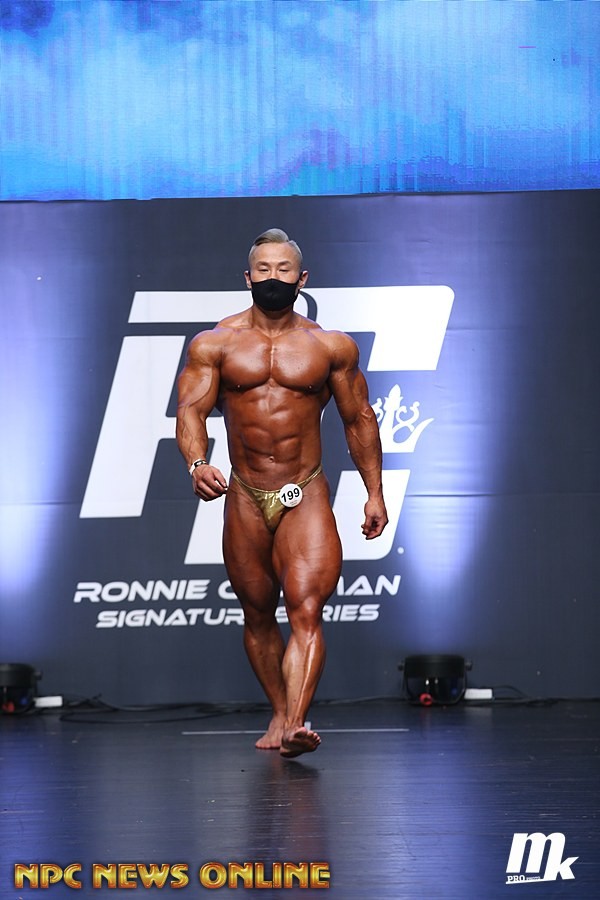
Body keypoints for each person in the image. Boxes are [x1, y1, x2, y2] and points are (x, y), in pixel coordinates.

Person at [176, 228, 388, 757]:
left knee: (306, 609)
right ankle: (278, 709)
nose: (274, 278)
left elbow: (359, 419)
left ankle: (295, 723)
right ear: (248, 278)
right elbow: (190, 411)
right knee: (256, 613)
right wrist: (197, 463)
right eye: (264, 269)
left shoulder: (330, 346)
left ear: (302, 278)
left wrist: (374, 493)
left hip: (305, 490)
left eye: (284, 270)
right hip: (245, 493)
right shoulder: (214, 344)